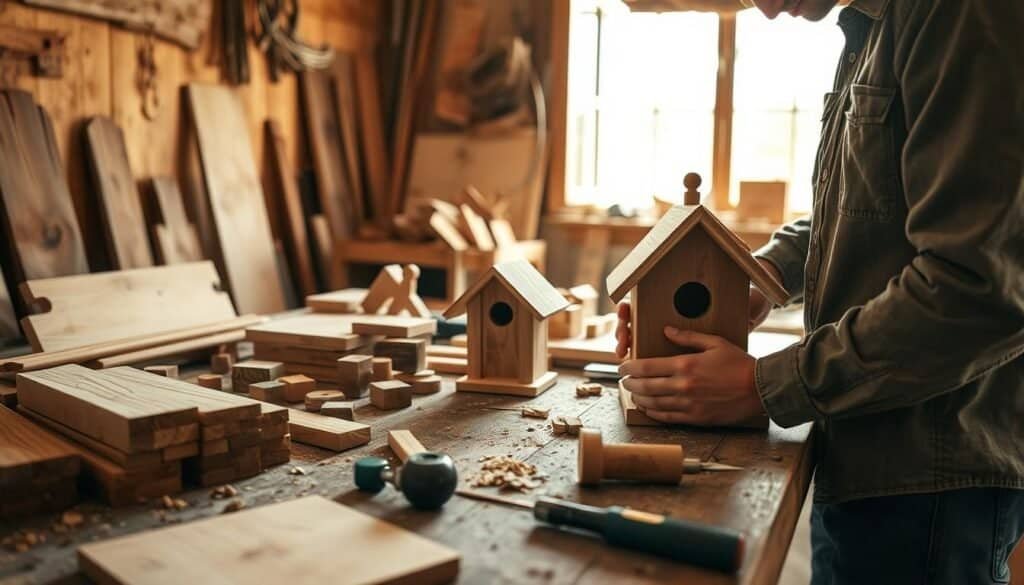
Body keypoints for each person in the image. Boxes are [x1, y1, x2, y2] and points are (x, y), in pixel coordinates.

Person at [613, 0, 1024, 582]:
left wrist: (766, 387)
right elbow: (866, 203)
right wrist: (747, 281)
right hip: (866, 452)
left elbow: (978, 290)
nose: (766, 8)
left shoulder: (962, 15)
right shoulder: (869, 27)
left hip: (932, 481)